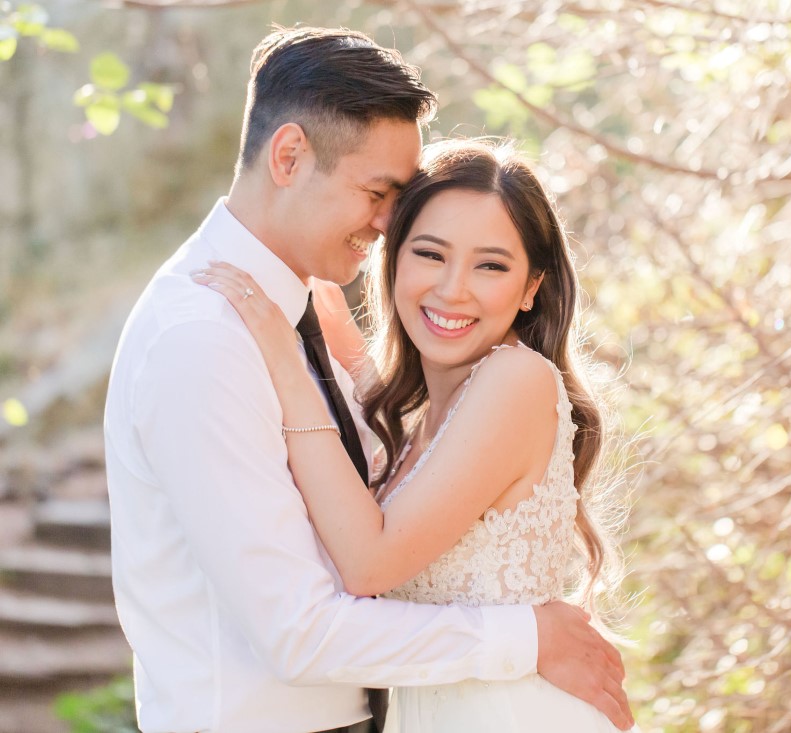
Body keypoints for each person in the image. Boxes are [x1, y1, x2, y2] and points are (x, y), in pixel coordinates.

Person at [103, 26, 632, 733]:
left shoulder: (297, 313)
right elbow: (299, 628)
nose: (388, 223)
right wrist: (526, 636)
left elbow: (376, 507)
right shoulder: (206, 335)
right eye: (379, 193)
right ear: (289, 155)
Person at [192, 136, 634, 732]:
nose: (453, 289)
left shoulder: (517, 380)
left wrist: (289, 370)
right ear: (393, 260)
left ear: (532, 287)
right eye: (430, 254)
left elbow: (370, 563)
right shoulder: (440, 409)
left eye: (491, 265)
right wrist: (329, 327)